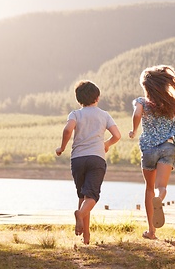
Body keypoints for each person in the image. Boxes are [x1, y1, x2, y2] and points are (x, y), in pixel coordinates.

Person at [128, 65, 175, 240]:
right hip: (167, 148)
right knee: (160, 187)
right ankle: (159, 198)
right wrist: (169, 134)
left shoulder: (141, 102)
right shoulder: (170, 104)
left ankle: (151, 231)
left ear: (146, 87)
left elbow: (137, 114)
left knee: (149, 188)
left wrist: (133, 130)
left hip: (148, 148)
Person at [56, 80, 121, 245]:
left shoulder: (75, 114)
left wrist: (62, 147)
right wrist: (106, 144)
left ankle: (86, 237)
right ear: (97, 97)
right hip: (96, 158)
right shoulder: (104, 115)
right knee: (91, 196)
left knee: (82, 196)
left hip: (77, 159)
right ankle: (79, 216)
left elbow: (67, 130)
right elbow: (117, 135)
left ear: (79, 99)